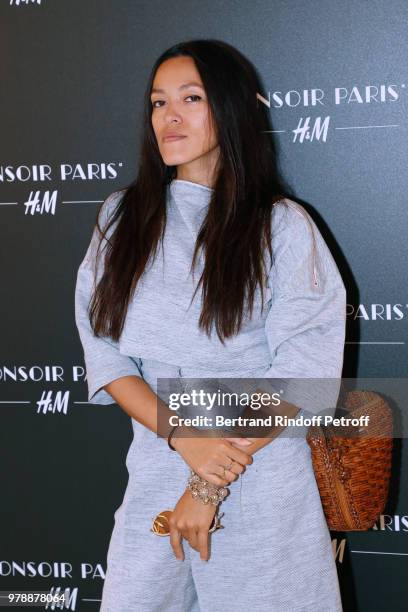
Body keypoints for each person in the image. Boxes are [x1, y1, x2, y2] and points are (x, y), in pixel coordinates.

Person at [74, 39, 346, 612]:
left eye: (190, 98)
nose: (168, 117)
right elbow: (106, 352)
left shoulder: (282, 227)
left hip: (260, 477)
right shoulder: (121, 218)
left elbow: (302, 373)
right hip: (155, 467)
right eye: (157, 103)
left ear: (232, 109)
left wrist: (207, 483)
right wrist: (183, 438)